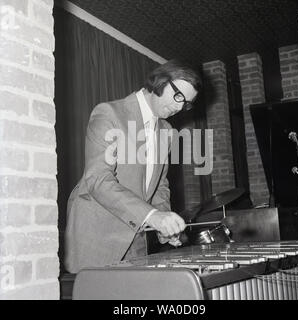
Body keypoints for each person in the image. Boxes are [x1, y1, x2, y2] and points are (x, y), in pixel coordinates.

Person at [64, 60, 202, 273]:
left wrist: (164, 224)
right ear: (160, 81)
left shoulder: (166, 130)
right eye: (178, 96)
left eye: (186, 103)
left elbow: (159, 187)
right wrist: (152, 216)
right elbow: (98, 180)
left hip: (137, 236)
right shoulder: (109, 113)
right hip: (97, 234)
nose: (179, 107)